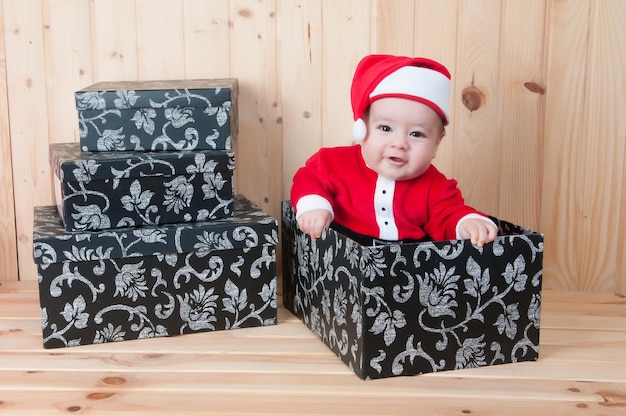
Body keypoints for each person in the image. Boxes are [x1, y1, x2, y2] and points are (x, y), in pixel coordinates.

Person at [290, 54, 498, 247]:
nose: (400, 143)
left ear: (436, 144)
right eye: (385, 128)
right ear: (363, 129)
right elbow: (309, 179)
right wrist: (315, 206)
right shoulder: (333, 162)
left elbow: (449, 213)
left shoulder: (436, 187)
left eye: (416, 134)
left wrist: (468, 223)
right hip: (343, 263)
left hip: (407, 271)